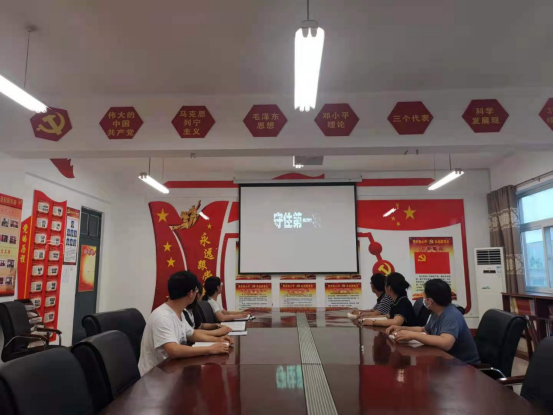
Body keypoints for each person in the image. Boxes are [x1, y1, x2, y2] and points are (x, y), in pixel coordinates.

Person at [138, 271, 233, 376]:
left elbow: (192, 334)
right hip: (155, 378)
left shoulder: (178, 312)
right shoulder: (162, 317)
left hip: (172, 371)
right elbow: (174, 350)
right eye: (196, 290)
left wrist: (218, 340)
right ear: (191, 293)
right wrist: (210, 349)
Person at [385, 279, 480, 364]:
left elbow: (446, 343)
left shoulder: (451, 315)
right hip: (447, 361)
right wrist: (401, 328)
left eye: (424, 297)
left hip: (465, 366)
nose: (423, 299)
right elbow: (424, 330)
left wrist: (413, 335)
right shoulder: (437, 312)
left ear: (430, 301)